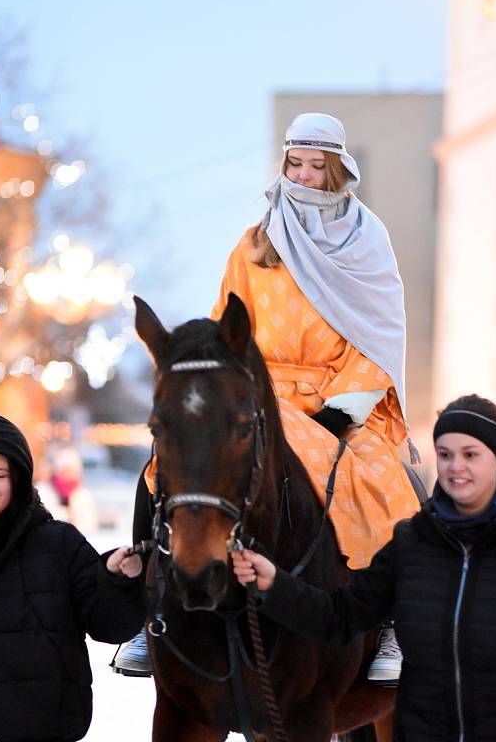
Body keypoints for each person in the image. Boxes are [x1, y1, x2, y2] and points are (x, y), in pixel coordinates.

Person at [115, 111, 420, 680]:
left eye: (315, 166)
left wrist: (340, 409)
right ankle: (148, 611)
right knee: (162, 470)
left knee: (386, 481)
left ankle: (391, 628)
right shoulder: (255, 243)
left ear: (336, 171)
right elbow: (225, 326)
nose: (302, 177)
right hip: (261, 394)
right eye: (295, 164)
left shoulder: (368, 240)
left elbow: (382, 334)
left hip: (344, 398)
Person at [232, 394, 496, 742]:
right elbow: (341, 617)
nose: (455, 468)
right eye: (446, 455)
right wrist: (275, 584)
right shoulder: (412, 543)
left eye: (470, 455)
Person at [0, 414, 146, 742]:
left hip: (41, 729)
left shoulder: (59, 545)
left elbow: (110, 626)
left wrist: (116, 580)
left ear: (19, 481)